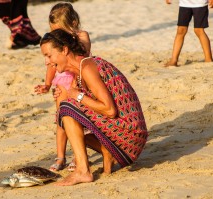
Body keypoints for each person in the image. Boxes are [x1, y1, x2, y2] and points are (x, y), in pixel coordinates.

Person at [39, 29, 148, 186]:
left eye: (49, 56)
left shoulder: (88, 67)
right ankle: (106, 152)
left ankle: (83, 171)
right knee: (65, 112)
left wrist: (77, 96)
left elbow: (110, 110)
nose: (47, 62)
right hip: (126, 139)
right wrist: (70, 94)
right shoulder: (80, 70)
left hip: (130, 135)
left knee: (67, 108)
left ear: (64, 49)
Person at [34, 2, 91, 172]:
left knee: (78, 121)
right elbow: (51, 65)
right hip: (61, 83)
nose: (56, 36)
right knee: (61, 122)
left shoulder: (81, 36)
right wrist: (47, 84)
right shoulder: (55, 43)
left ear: (73, 24)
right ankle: (60, 156)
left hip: (77, 82)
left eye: (60, 32)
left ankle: (77, 156)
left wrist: (71, 38)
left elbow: (84, 55)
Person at [165, 0, 213, 66]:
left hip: (200, 4)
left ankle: (208, 59)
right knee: (181, 30)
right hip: (184, 4)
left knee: (199, 30)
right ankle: (174, 60)